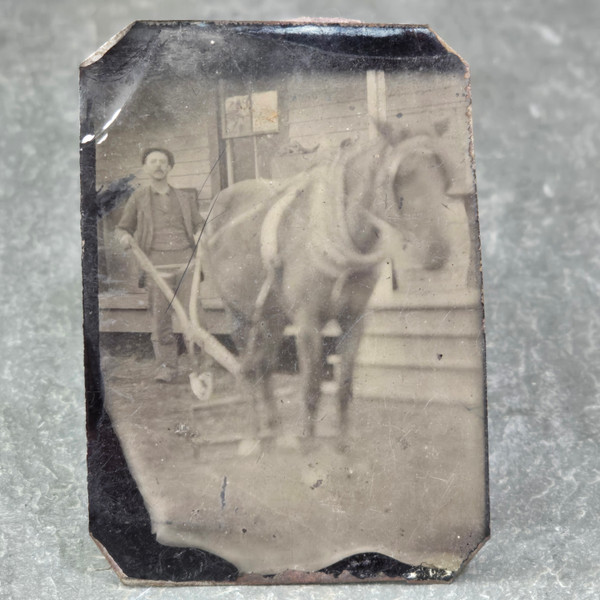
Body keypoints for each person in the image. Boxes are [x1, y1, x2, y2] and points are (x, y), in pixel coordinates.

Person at [116, 148, 204, 382]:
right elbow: (123, 228)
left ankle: (201, 368)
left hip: (186, 264)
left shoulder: (184, 198)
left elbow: (199, 225)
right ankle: (167, 368)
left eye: (163, 162)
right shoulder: (138, 198)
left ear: (169, 167)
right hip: (156, 267)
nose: (158, 165)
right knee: (161, 320)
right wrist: (125, 238)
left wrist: (202, 236)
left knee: (196, 318)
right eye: (153, 161)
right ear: (146, 167)